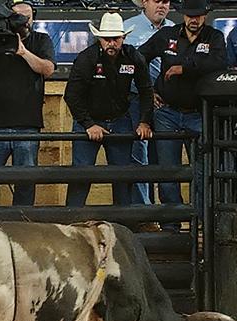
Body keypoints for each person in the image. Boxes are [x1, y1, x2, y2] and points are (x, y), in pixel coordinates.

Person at [138, 0, 227, 231]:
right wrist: (149, 90)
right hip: (168, 111)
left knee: (201, 172)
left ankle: (201, 225)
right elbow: (140, 57)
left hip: (200, 113)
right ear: (183, 16)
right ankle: (171, 229)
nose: (194, 19)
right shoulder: (167, 35)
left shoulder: (214, 37)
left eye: (198, 15)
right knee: (169, 172)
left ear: (205, 15)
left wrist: (184, 68)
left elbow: (218, 63)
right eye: (190, 15)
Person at [0, 0, 55, 207]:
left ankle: (22, 226)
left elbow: (48, 69)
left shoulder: (41, 40)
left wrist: (23, 52)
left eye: (27, 17)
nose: (23, 22)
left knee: (25, 182)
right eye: (18, 16)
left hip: (27, 125)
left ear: (33, 19)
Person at [64, 13, 154, 207]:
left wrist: (145, 121)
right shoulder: (86, 58)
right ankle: (71, 221)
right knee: (81, 174)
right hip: (89, 121)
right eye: (107, 39)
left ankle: (124, 224)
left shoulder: (133, 57)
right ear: (99, 39)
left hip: (120, 119)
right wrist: (88, 124)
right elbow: (71, 95)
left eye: (115, 39)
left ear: (124, 38)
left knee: (121, 176)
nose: (111, 43)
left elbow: (147, 90)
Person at [123, 0, 173, 207]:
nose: (161, 5)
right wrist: (147, 91)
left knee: (164, 156)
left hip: (169, 102)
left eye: (166, 1)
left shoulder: (174, 29)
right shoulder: (126, 28)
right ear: (144, 2)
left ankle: (168, 214)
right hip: (136, 99)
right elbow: (123, 67)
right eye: (156, 0)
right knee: (139, 154)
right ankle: (143, 211)